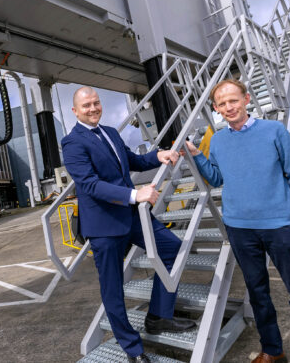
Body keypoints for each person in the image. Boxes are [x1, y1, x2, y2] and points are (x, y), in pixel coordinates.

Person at [174, 79, 290, 363]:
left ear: (246, 99)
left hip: (280, 226)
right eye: (222, 104)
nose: (229, 107)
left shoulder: (274, 131)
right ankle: (272, 350)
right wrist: (196, 156)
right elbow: (219, 178)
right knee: (258, 294)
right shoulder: (218, 140)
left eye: (234, 100)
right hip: (240, 228)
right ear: (216, 109)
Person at [61, 86, 195, 363]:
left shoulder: (110, 132)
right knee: (113, 289)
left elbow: (132, 161)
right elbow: (89, 184)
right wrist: (135, 194)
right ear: (75, 111)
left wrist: (158, 154)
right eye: (86, 105)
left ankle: (158, 316)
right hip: (103, 226)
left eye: (96, 102)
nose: (93, 108)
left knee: (172, 248)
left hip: (130, 216)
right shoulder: (72, 142)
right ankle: (132, 348)